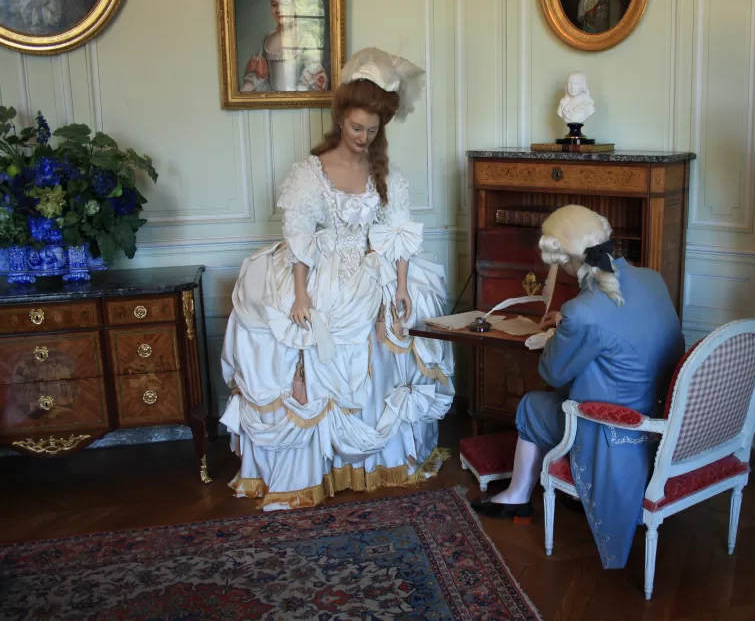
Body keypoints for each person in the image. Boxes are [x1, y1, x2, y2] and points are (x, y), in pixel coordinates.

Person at [219, 47, 455, 511]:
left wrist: (403, 286)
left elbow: (397, 235)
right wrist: (302, 296)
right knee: (302, 329)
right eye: (356, 127)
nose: (364, 137)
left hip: (373, 268)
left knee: (398, 328)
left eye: (372, 130)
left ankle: (382, 461)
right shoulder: (311, 172)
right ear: (340, 119)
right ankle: (310, 469)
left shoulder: (387, 173)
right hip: (321, 270)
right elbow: (300, 239)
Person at [471, 204, 686, 570]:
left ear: (565, 261)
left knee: (532, 405)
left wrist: (557, 335)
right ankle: (528, 492)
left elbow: (553, 374)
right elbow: (623, 329)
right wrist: (569, 326)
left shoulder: (581, 312)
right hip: (661, 410)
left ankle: (517, 494)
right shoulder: (651, 278)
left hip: (613, 430)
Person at [240, 0, 329, 93]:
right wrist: (241, 93)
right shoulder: (268, 38)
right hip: (271, 101)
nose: (278, 10)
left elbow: (312, 73)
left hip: (299, 103)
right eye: (274, 5)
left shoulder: (305, 38)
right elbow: (258, 75)